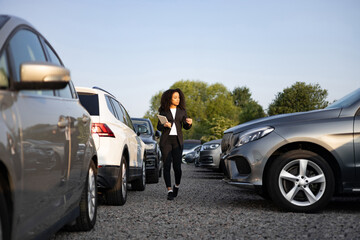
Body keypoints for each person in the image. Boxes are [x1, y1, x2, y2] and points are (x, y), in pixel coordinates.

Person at [157, 88, 192, 200]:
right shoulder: (164, 111)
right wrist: (164, 126)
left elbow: (186, 127)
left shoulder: (182, 111)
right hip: (166, 141)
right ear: (169, 98)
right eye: (175, 97)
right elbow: (158, 126)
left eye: (179, 97)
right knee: (166, 166)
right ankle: (169, 190)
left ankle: (176, 186)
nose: (178, 99)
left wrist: (189, 124)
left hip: (177, 141)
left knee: (177, 167)